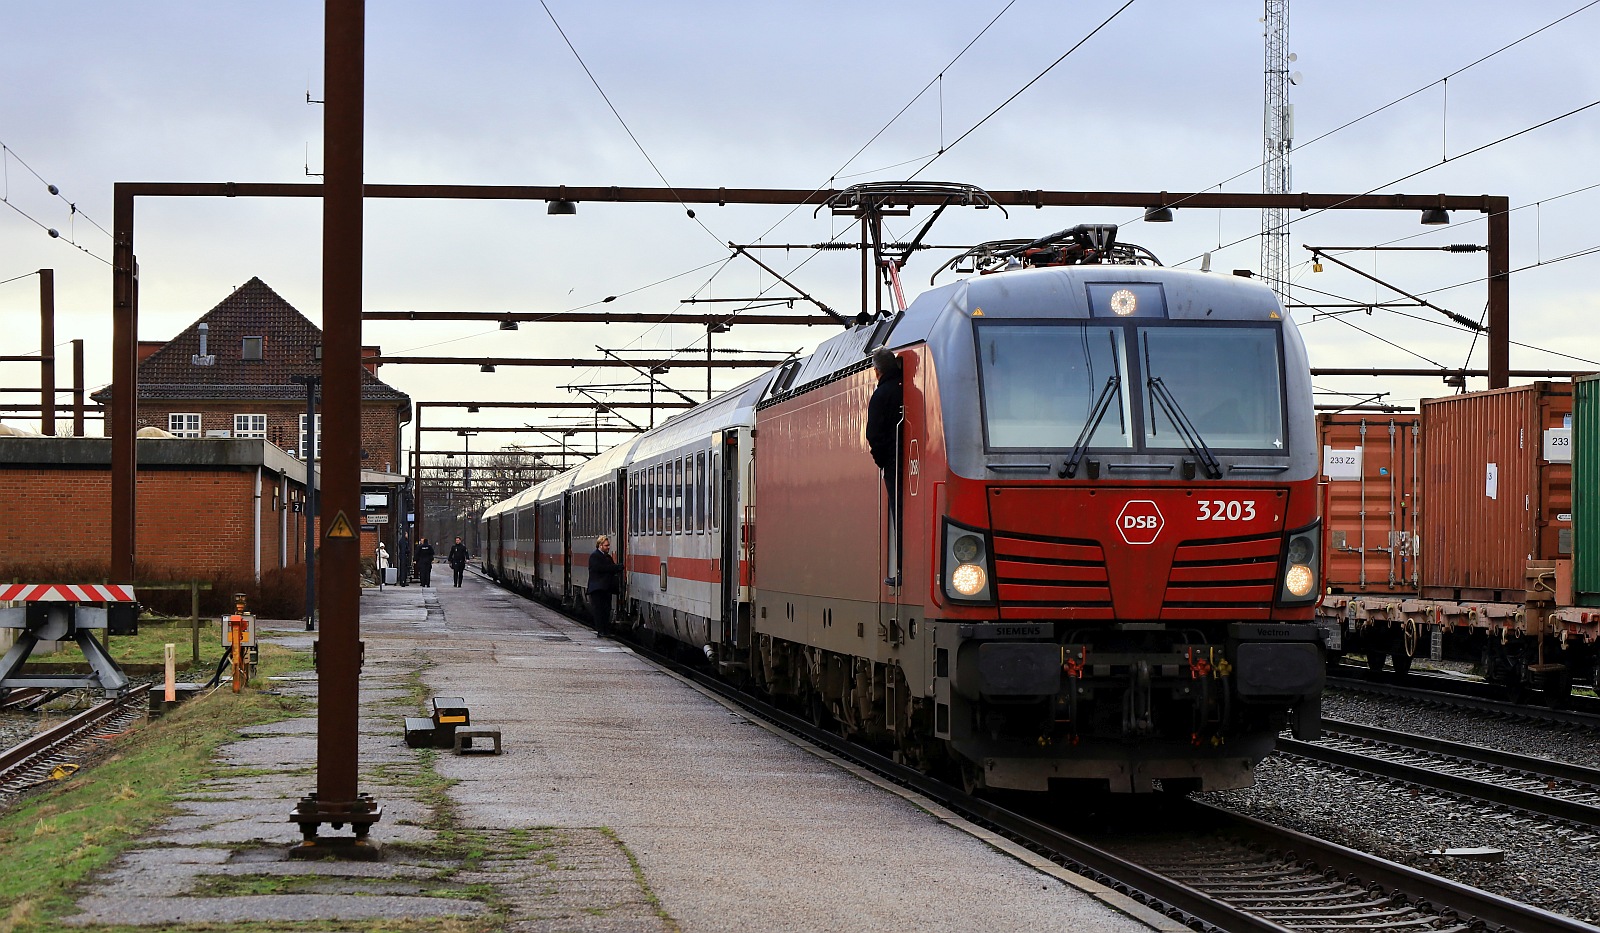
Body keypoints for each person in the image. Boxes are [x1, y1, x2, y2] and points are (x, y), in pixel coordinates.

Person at [865, 346, 904, 585]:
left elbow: (874, 434)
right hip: (917, 460)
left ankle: (902, 570)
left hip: (893, 463)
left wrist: (883, 461)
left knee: (899, 514)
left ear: (877, 371)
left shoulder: (881, 395)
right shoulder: (908, 388)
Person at [587, 535, 622, 637]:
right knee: (599, 610)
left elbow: (610, 567)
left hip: (606, 588)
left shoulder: (607, 557)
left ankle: (606, 631)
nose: (608, 547)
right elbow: (601, 568)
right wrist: (615, 567)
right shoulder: (594, 556)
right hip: (597, 588)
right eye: (606, 545)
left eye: (608, 545)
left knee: (606, 610)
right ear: (600, 545)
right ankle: (600, 631)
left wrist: (616, 568)